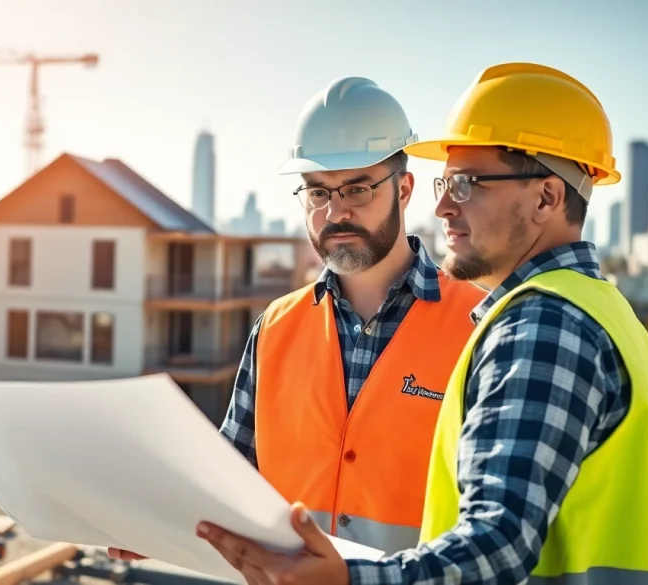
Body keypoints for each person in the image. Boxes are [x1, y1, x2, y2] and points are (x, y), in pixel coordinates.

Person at [195, 62, 648, 585]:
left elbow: (496, 540)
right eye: (318, 192)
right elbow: (231, 476)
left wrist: (350, 580)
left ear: (547, 196)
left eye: (467, 184)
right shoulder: (590, 311)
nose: (444, 205)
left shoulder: (533, 325)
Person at [110, 76, 485, 561]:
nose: (335, 213)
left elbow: (493, 527)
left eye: (357, 190)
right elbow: (232, 474)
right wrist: (159, 521)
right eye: (317, 193)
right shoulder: (276, 326)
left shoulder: (479, 325)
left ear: (405, 189)